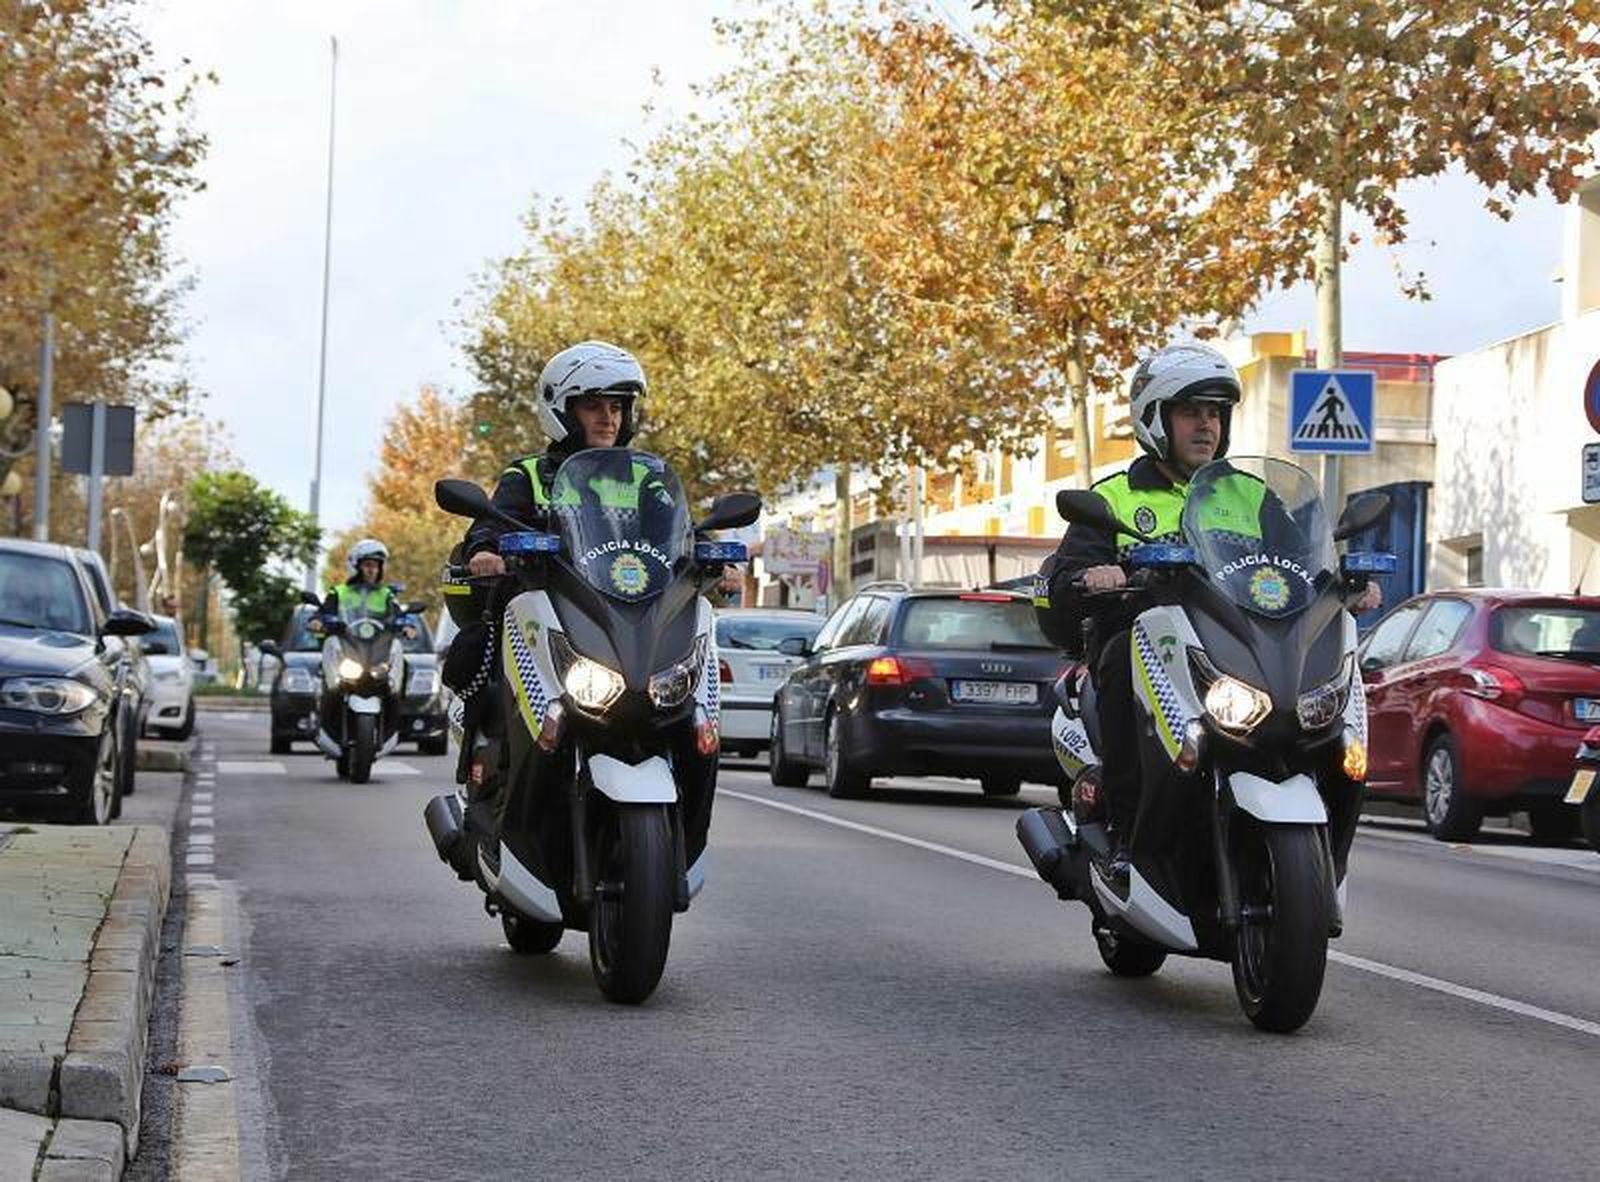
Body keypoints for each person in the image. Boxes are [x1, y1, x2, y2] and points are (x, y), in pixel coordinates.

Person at [1036, 342, 1381, 888]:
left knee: (1330, 716)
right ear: (1155, 419)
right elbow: (1067, 576)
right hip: (1150, 642)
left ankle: (1325, 855)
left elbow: (1302, 559)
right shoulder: (1117, 497)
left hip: (1236, 641)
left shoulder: (1250, 494)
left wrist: (1341, 586)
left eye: (1216, 413)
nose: (1207, 426)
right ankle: (1127, 837)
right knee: (1124, 659)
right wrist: (1097, 575)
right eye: (1191, 412)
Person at [439, 340, 648, 866]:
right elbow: (488, 521)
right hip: (547, 611)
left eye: (618, 406)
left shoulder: (644, 478)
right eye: (594, 405)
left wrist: (713, 558)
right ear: (563, 410)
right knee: (482, 676)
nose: (608, 417)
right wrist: (485, 549)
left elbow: (678, 533)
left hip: (624, 619)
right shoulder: (529, 475)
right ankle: (480, 802)